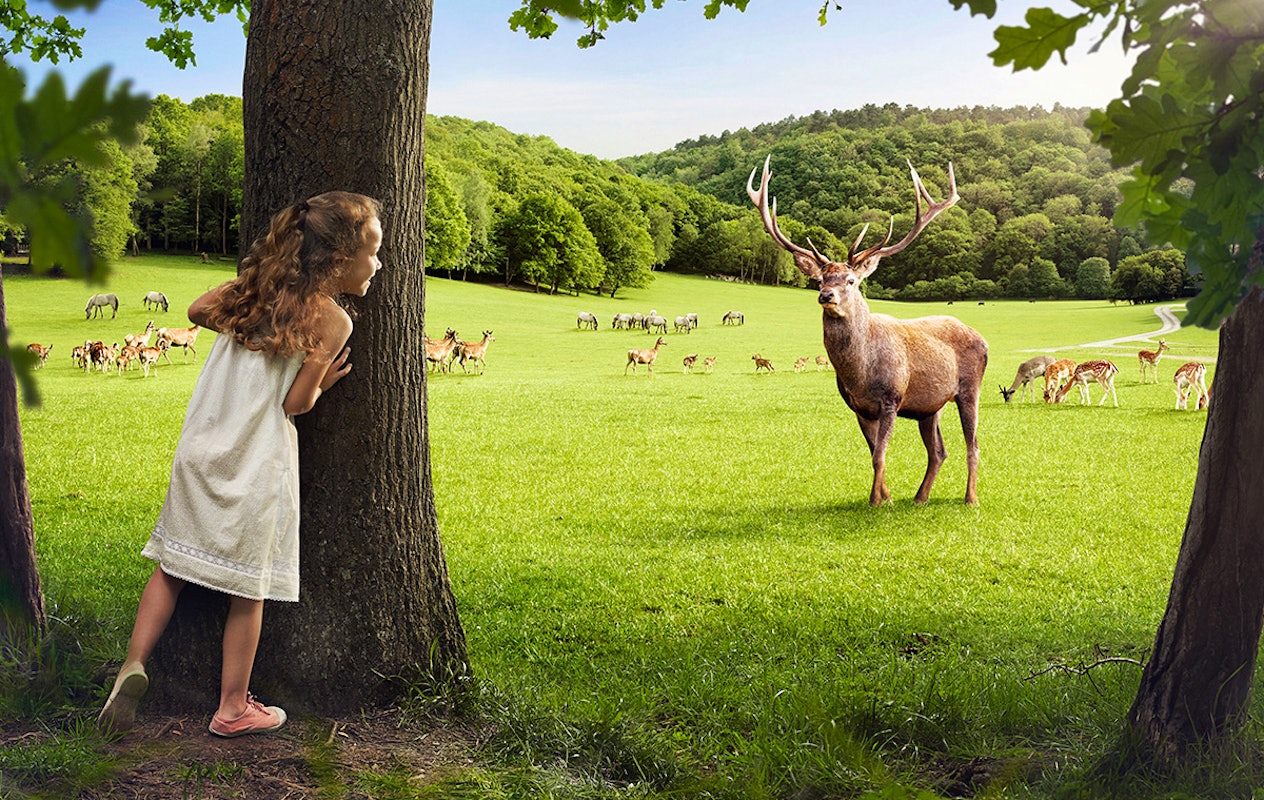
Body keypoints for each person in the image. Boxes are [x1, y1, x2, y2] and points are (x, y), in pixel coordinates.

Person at [97, 191, 383, 737]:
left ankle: (132, 664)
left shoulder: (252, 291)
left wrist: (246, 320)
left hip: (200, 449)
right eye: (371, 252)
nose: (378, 263)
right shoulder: (333, 321)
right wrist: (322, 382)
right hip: (257, 462)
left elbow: (194, 311)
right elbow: (295, 404)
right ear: (338, 259)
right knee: (249, 590)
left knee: (170, 569)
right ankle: (232, 708)